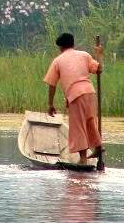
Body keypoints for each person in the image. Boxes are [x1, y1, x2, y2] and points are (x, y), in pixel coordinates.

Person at [43, 33, 104, 170]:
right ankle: (98, 147)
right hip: (89, 92)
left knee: (78, 127)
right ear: (73, 44)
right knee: (90, 122)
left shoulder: (58, 61)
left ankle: (83, 159)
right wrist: (99, 54)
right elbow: (99, 69)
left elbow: (52, 84)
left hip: (76, 95)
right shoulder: (84, 55)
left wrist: (50, 104)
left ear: (60, 47)